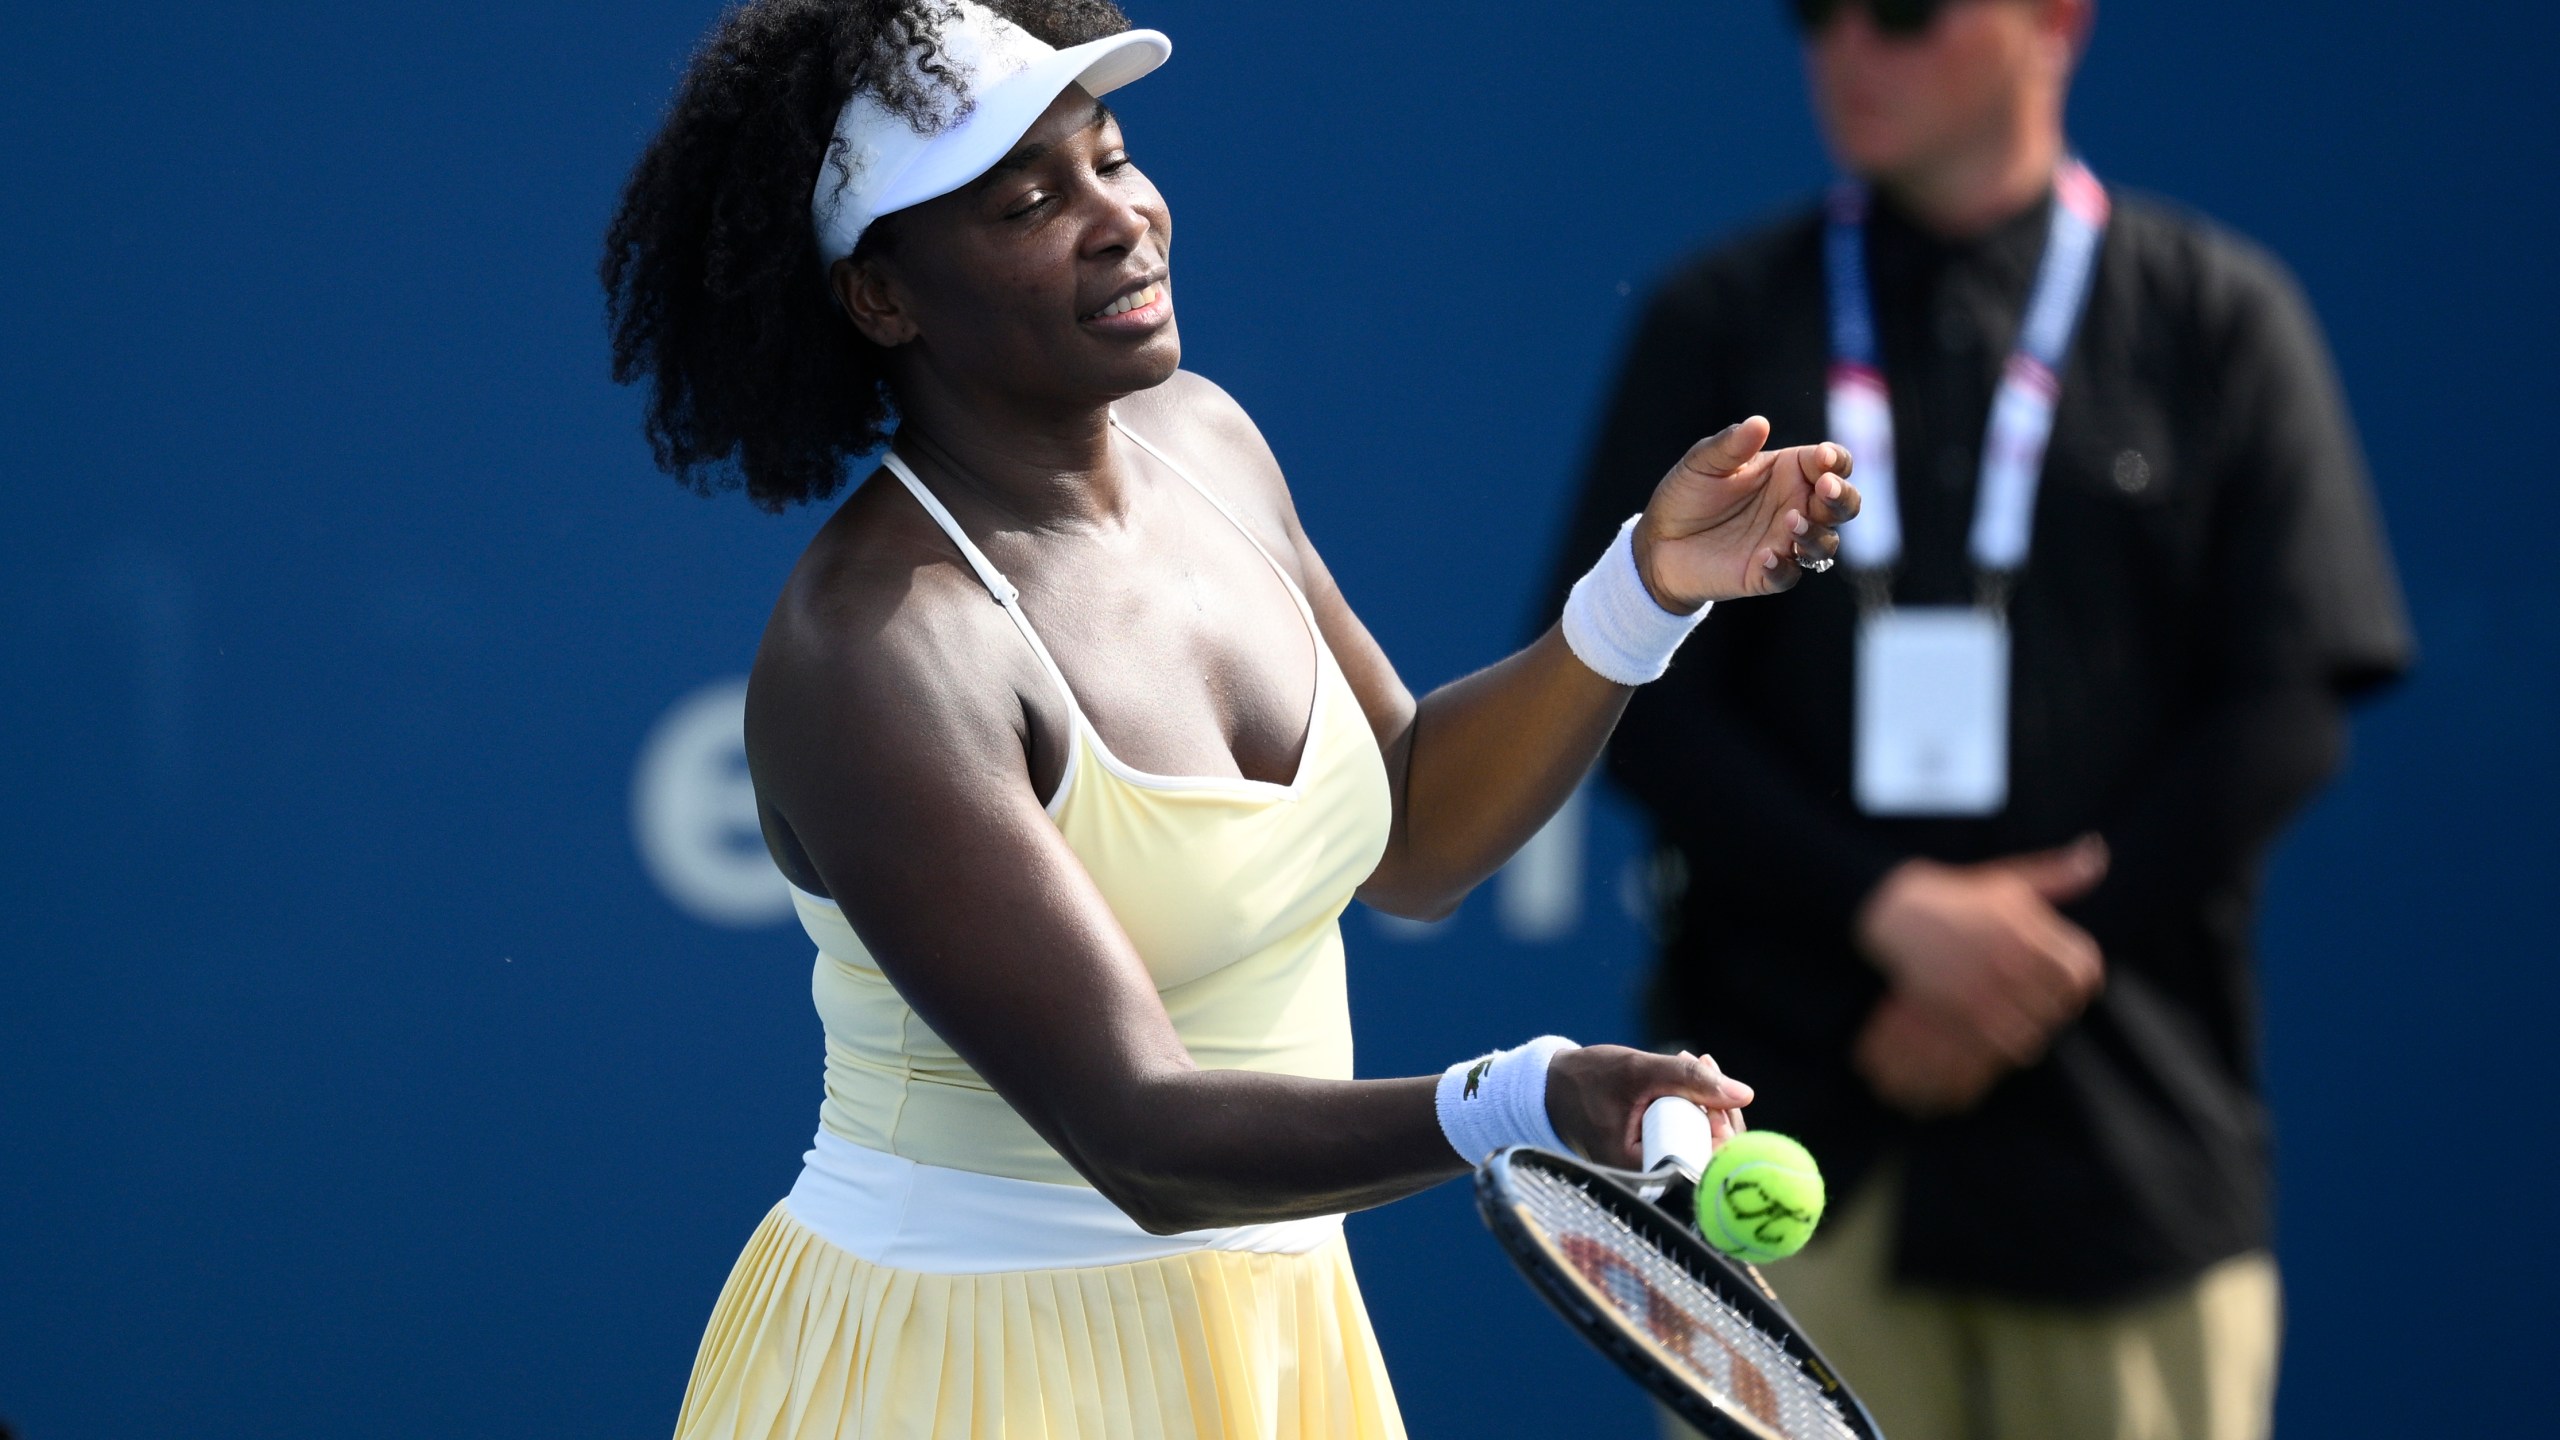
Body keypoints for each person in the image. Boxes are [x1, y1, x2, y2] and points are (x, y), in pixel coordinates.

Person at [602, 2, 1859, 1435]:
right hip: (962, 1367)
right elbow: (1138, 1131)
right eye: (1028, 200)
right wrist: (1517, 1102)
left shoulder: (1206, 438)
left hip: (1270, 1331)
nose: (1119, 218)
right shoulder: (882, 652)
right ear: (885, 299)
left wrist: (1642, 593)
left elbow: (1417, 834)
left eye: (1113, 158)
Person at [1549, 1, 2411, 1437]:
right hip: (1789, 1140)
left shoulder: (2214, 314)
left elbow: (2287, 701)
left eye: (1899, 13)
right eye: (1813, 15)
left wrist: (2029, 960)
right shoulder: (1724, 321)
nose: (1848, 53)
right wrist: (1892, 910)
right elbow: (1623, 692)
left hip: (2128, 1160)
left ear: (2055, 20)